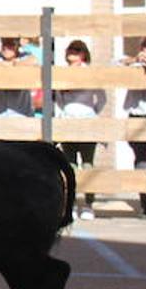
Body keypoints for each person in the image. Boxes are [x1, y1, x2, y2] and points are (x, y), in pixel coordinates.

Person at [55, 39, 105, 220]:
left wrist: (92, 114)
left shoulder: (90, 72)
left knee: (87, 164)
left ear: (83, 54)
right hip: (68, 121)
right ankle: (72, 204)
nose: (72, 53)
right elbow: (58, 98)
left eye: (76, 50)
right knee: (70, 164)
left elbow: (101, 97)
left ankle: (89, 204)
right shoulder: (62, 73)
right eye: (70, 50)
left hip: (87, 121)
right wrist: (63, 113)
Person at [120, 36, 146, 218]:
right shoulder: (134, 66)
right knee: (142, 160)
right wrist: (135, 60)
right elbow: (116, 64)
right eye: (144, 47)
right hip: (138, 116)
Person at [0, 37, 34, 117]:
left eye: (10, 44)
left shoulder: (25, 57)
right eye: (4, 43)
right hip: (0, 114)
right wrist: (4, 64)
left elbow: (33, 61)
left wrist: (13, 64)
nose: (6, 47)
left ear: (17, 46)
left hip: (21, 115)